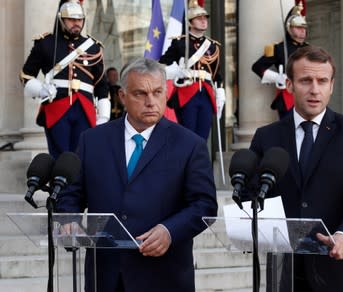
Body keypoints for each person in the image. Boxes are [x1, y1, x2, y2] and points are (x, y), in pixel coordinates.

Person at [56, 57, 218, 291]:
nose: (151, 102)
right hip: (105, 276)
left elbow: (204, 205)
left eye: (158, 92)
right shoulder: (92, 141)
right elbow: (71, 195)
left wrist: (170, 231)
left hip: (163, 276)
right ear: (122, 97)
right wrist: (69, 220)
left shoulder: (190, 145)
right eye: (140, 94)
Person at [249, 45, 343, 291]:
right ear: (289, 85)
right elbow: (253, 194)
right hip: (284, 273)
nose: (314, 90)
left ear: (331, 86)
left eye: (322, 81)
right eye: (305, 80)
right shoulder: (266, 137)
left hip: (339, 271)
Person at [20, 0, 110, 159]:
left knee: (83, 156)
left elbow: (102, 85)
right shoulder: (45, 44)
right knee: (59, 157)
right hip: (57, 107)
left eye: (80, 20)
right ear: (61, 19)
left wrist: (103, 118)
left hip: (85, 109)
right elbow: (26, 75)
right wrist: (40, 90)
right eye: (71, 20)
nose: (77, 23)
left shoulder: (93, 47)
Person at [159, 0, 225, 140]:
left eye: (205, 18)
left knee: (203, 135)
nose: (203, 21)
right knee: (187, 135)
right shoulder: (180, 43)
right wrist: (176, 72)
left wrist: (220, 92)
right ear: (190, 22)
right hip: (187, 91)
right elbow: (161, 66)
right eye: (199, 18)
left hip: (206, 92)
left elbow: (216, 74)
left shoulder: (213, 46)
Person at [252, 0, 309, 119]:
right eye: (298, 27)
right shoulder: (279, 48)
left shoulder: (309, 49)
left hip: (307, 95)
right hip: (288, 97)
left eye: (304, 27)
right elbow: (257, 67)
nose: (303, 30)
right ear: (289, 28)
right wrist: (277, 77)